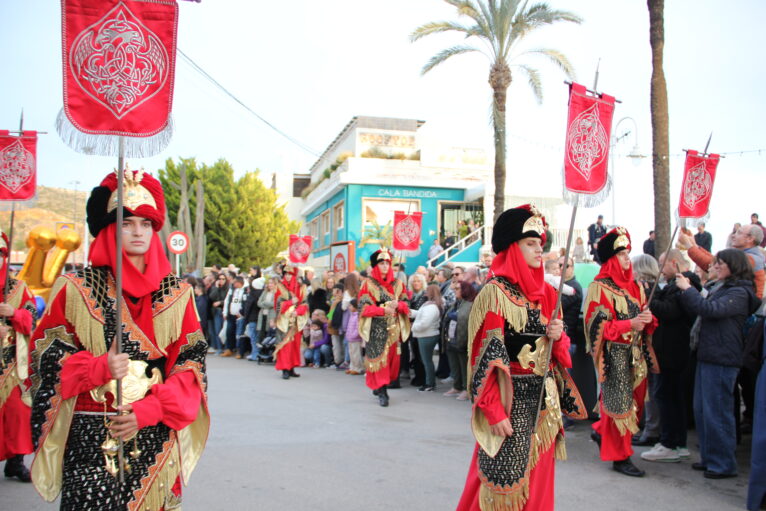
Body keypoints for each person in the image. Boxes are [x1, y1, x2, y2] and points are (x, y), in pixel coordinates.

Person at [29, 169, 208, 509]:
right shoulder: (76, 288)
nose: (137, 231)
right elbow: (43, 360)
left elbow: (191, 367)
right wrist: (97, 367)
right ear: (110, 229)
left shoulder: (178, 294)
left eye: (145, 223)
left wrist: (150, 409)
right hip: (91, 434)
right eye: (126, 223)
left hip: (155, 430)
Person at [457, 205, 585, 511]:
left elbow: (562, 357)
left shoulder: (549, 295)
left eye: (541, 243)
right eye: (530, 243)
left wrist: (557, 336)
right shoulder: (495, 293)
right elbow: (485, 359)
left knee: (538, 484)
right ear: (512, 247)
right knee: (497, 483)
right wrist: (493, 409)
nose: (539, 249)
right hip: (509, 402)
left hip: (543, 406)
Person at [676, 249, 759, 479]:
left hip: (723, 358)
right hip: (709, 354)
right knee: (703, 410)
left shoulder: (740, 292)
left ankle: (723, 463)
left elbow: (709, 310)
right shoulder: (722, 288)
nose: (716, 266)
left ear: (735, 266)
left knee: (718, 413)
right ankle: (710, 458)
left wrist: (688, 290)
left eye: (721, 263)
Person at [584, 226, 657, 477]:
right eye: (623, 254)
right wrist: (629, 324)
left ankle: (601, 431)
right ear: (611, 259)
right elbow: (595, 328)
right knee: (620, 409)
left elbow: (644, 316)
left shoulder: (636, 287)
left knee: (633, 407)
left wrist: (647, 318)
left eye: (628, 253)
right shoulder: (599, 288)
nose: (628, 259)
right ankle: (620, 457)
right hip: (614, 357)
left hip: (636, 356)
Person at [641, 249, 699, 463]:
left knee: (666, 396)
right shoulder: (678, 285)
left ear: (674, 264)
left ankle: (669, 443)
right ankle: (676, 442)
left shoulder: (684, 285)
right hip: (670, 350)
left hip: (672, 351)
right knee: (672, 397)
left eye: (663, 264)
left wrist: (649, 295)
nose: (660, 269)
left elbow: (668, 311)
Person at [0, 232, 37, 482]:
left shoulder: (19, 288)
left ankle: (16, 461)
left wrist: (14, 314)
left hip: (11, 362)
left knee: (17, 411)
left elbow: (31, 315)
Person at [358, 248, 410, 407]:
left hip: (395, 331)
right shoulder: (368, 284)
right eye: (382, 263)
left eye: (388, 263)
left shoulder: (398, 284)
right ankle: (382, 391)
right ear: (375, 266)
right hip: (377, 331)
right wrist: (383, 310)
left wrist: (399, 305)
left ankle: (381, 386)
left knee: (393, 364)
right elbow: (364, 308)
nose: (386, 266)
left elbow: (407, 304)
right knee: (380, 362)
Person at [630, 254, 662, 447]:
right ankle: (645, 427)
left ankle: (651, 430)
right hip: (643, 346)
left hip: (650, 347)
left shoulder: (650, 290)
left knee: (651, 392)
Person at [274, 264, 309, 379]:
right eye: (286, 274)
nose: (288, 276)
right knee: (285, 345)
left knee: (294, 345)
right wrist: (290, 303)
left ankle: (292, 367)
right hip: (284, 322)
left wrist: (298, 311)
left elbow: (305, 304)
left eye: (290, 274)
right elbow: (278, 306)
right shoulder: (279, 287)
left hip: (295, 321)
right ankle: (285, 369)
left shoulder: (300, 288)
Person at [443, 281, 476, 400]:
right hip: (451, 338)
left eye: (458, 289)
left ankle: (466, 389)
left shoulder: (471, 304)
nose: (455, 290)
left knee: (464, 366)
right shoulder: (456, 303)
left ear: (465, 290)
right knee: (454, 365)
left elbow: (465, 319)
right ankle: (456, 386)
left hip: (463, 339)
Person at [411, 284, 443, 392]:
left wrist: (413, 327)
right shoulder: (429, 304)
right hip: (426, 335)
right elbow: (420, 314)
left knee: (427, 361)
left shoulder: (431, 307)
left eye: (427, 290)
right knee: (427, 360)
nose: (425, 292)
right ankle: (429, 382)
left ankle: (430, 384)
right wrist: (408, 312)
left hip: (427, 336)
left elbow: (424, 323)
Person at [222, 276, 246, 358]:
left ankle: (240, 351)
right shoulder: (231, 290)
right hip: (231, 314)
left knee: (239, 334)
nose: (234, 284)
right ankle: (229, 349)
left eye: (235, 282)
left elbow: (245, 303)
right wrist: (225, 312)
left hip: (240, 316)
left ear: (240, 283)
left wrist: (242, 313)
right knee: (229, 332)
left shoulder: (245, 290)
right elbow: (227, 301)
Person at [207, 272, 228, 354]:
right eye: (220, 279)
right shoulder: (216, 288)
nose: (221, 281)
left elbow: (228, 300)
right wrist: (216, 287)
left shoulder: (228, 288)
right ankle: (219, 348)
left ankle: (226, 348)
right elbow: (211, 297)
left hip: (224, 311)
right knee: (217, 330)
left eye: (223, 279)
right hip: (216, 311)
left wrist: (220, 302)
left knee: (224, 330)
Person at [342, 299, 364, 375]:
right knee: (351, 353)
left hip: (356, 339)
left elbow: (358, 328)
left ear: (355, 306)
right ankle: (352, 367)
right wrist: (348, 335)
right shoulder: (352, 315)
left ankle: (358, 368)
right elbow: (349, 326)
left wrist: (354, 335)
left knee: (356, 354)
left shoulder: (358, 315)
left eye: (350, 305)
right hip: (350, 338)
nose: (349, 307)